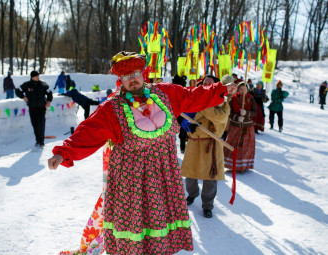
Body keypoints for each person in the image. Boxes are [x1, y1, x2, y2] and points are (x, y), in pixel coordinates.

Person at [47, 51, 237, 255]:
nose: (132, 80)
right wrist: (63, 153)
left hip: (165, 176)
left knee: (160, 227)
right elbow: (88, 132)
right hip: (132, 182)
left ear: (143, 73)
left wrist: (221, 89)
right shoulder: (112, 108)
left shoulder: (166, 93)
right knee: (134, 231)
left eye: (135, 73)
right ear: (120, 80)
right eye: (126, 76)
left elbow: (193, 96)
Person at [181, 75, 230, 218]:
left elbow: (220, 118)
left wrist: (203, 105)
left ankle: (207, 205)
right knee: (190, 174)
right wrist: (186, 124)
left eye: (210, 83)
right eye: (204, 83)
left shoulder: (222, 101)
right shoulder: (194, 98)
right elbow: (185, 115)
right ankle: (192, 194)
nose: (206, 85)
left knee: (210, 178)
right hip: (194, 143)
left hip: (211, 144)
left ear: (216, 86)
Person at [224, 81, 257, 172]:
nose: (242, 91)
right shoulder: (233, 98)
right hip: (235, 126)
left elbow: (255, 112)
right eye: (241, 89)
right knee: (232, 145)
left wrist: (246, 113)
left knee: (245, 148)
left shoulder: (251, 98)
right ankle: (231, 164)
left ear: (248, 90)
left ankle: (243, 166)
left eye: (245, 89)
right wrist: (237, 117)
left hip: (247, 127)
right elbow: (229, 112)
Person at [15, 71, 53, 147]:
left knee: (41, 124)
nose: (37, 77)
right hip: (32, 107)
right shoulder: (27, 85)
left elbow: (50, 92)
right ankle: (37, 141)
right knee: (35, 124)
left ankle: (42, 141)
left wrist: (49, 101)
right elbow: (17, 90)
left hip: (41, 107)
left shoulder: (43, 84)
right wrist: (23, 97)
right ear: (32, 77)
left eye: (38, 76)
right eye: (36, 76)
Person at [172, 74, 188, 153]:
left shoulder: (184, 90)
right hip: (174, 111)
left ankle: (182, 147)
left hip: (183, 111)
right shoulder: (173, 89)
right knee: (172, 130)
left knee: (182, 130)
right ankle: (175, 148)